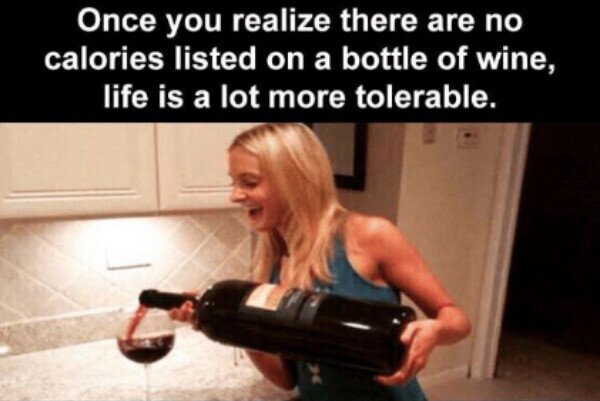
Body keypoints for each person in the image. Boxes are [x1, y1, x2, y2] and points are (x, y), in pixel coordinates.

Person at [170, 123, 471, 401]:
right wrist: (236, 327)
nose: (235, 196)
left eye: (249, 182)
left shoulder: (369, 236)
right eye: (233, 182)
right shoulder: (273, 263)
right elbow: (288, 378)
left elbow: (457, 320)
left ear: (295, 180)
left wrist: (434, 331)